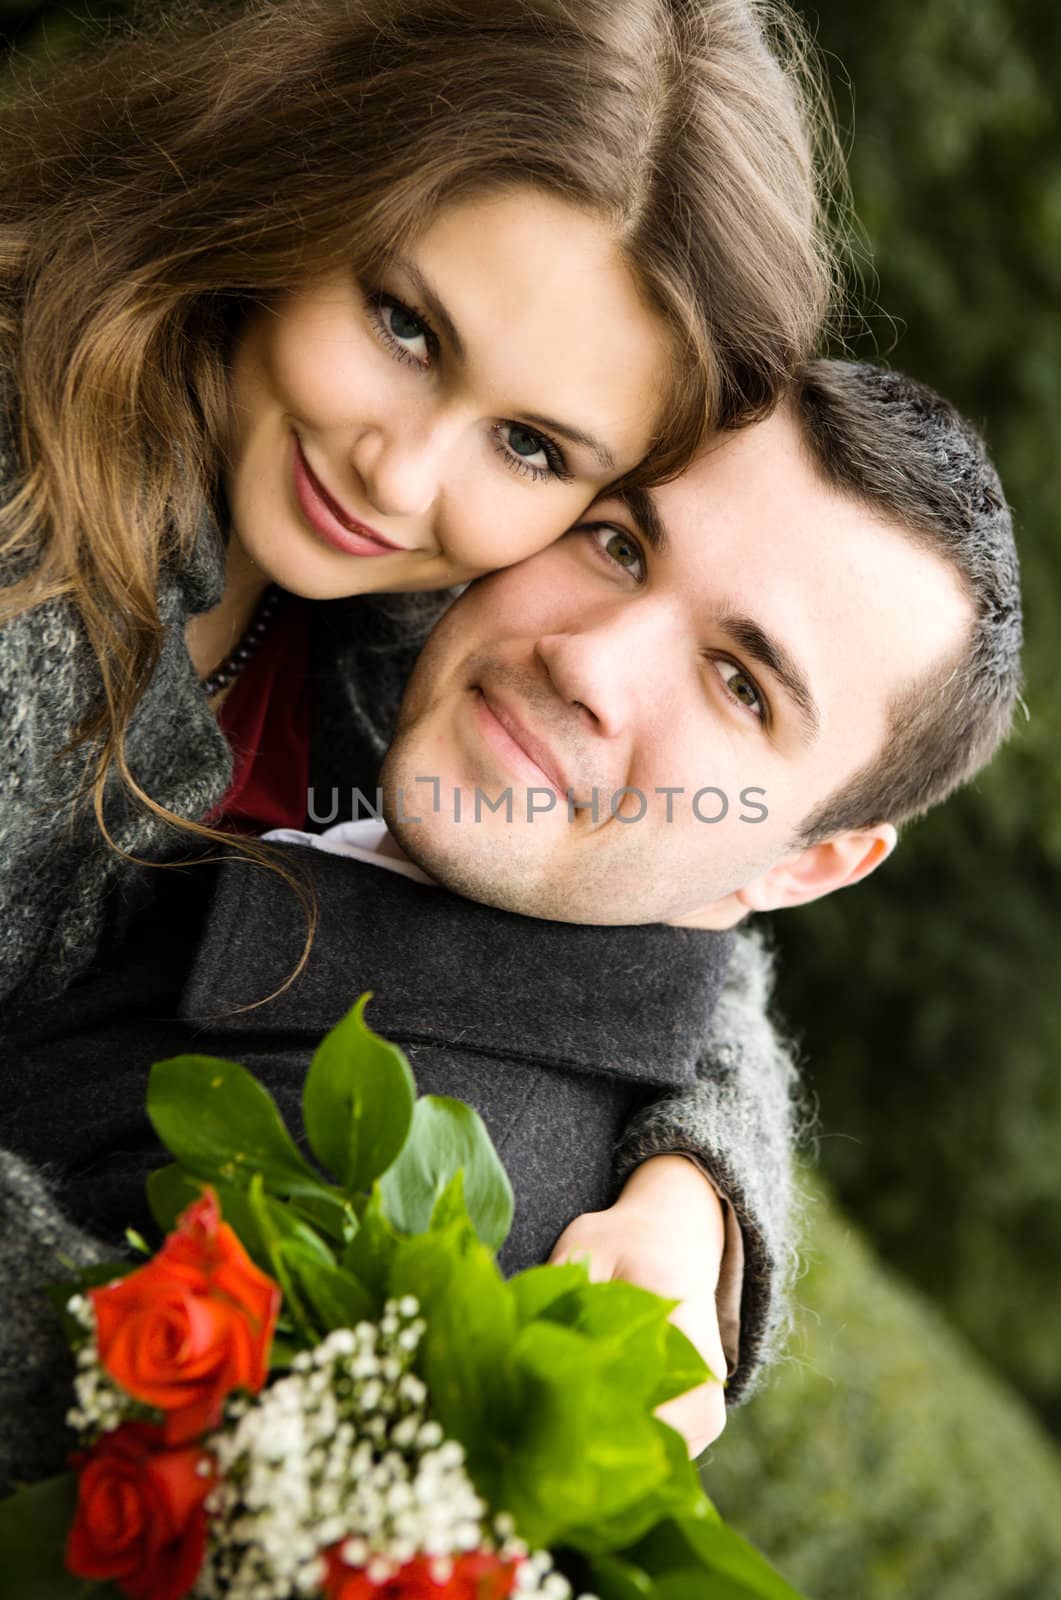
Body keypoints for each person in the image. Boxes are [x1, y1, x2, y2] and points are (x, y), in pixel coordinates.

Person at [0, 360, 1023, 1488]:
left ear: (811, 860)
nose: (588, 658)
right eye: (617, 544)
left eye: (739, 684)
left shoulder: (393, 1229)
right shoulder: (359, 615)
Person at [0, 0, 839, 1013]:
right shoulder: (25, 511)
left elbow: (664, 906)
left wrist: (703, 1154)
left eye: (529, 447)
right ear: (295, 182)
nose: (397, 479)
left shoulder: (411, 635)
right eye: (404, 329)